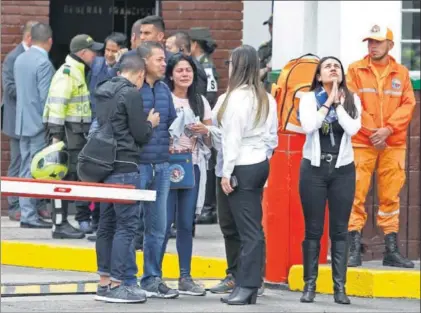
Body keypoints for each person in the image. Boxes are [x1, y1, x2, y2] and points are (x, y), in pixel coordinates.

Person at [346, 24, 416, 269]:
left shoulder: (402, 73)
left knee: (390, 197)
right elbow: (351, 103)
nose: (372, 46)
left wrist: (387, 130)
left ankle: (391, 250)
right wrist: (375, 132)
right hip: (362, 142)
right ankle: (352, 249)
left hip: (392, 143)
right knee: (355, 194)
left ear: (390, 45)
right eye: (369, 41)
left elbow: (408, 105)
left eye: (377, 41)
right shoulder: (355, 70)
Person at [214, 45, 278, 305]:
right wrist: (262, 157)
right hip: (258, 162)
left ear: (237, 66)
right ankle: (247, 285)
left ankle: (247, 284)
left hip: (240, 164)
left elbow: (232, 139)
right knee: (250, 227)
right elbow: (272, 137)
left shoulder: (237, 98)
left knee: (249, 230)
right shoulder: (265, 97)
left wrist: (227, 173)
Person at [94, 53, 159, 303]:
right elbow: (140, 134)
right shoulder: (131, 93)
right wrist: (151, 123)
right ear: (140, 74)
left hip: (104, 166)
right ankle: (119, 284)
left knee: (106, 224)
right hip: (124, 166)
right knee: (127, 225)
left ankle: (104, 282)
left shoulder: (102, 89)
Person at [298, 56, 362, 305]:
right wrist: (326, 105)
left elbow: (353, 128)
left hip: (342, 169)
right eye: (328, 66)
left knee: (339, 229)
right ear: (318, 76)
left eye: (337, 66)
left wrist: (338, 105)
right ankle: (309, 285)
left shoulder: (352, 99)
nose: (333, 69)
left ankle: (339, 287)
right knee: (313, 229)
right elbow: (309, 125)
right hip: (313, 169)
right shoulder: (308, 99)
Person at [126, 41, 178, 298]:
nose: (163, 63)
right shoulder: (132, 90)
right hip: (138, 167)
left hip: (162, 167)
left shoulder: (164, 89)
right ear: (144, 62)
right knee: (130, 224)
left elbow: (169, 124)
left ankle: (152, 278)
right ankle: (127, 279)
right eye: (159, 59)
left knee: (158, 227)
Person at [161, 53, 212, 296]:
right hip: (166, 167)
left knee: (185, 223)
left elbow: (213, 139)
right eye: (180, 70)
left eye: (188, 70)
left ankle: (185, 276)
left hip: (191, 167)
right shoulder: (163, 97)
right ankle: (154, 276)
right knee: (162, 222)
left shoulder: (200, 101)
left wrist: (205, 130)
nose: (185, 74)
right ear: (171, 74)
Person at [43, 34, 104, 239]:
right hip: (68, 136)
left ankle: (61, 224)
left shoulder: (76, 71)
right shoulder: (68, 73)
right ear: (83, 53)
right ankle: (59, 225)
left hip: (74, 135)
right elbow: (58, 106)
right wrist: (56, 138)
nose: (95, 55)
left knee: (69, 177)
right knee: (61, 176)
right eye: (92, 51)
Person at [14, 22, 55, 229]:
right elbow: (45, 98)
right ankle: (29, 216)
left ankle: (27, 213)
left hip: (22, 122)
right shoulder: (44, 63)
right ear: (50, 41)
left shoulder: (21, 58)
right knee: (33, 169)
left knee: (25, 168)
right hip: (38, 123)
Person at [2, 20, 38, 221]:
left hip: (31, 120)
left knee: (34, 164)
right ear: (29, 37)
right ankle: (14, 206)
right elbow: (9, 88)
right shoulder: (13, 58)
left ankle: (36, 203)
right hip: (16, 121)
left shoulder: (35, 56)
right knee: (17, 163)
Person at [189, 27, 219, 226]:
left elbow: (211, 93)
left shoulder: (205, 65)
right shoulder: (200, 63)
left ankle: (207, 209)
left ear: (195, 44)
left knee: (207, 165)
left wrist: (200, 113)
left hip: (204, 120)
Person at [258, 15, 273, 91]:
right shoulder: (263, 49)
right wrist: (267, 69)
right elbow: (256, 75)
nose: (271, 29)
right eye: (269, 26)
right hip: (266, 90)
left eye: (273, 26)